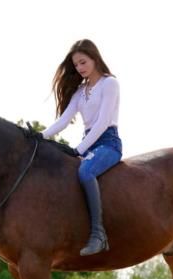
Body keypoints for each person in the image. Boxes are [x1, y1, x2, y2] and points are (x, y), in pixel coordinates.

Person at [42, 39, 122, 256]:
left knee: (86, 172)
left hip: (108, 143)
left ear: (94, 59)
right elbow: (64, 120)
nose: (80, 68)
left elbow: (103, 122)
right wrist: (40, 136)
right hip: (88, 145)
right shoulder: (80, 92)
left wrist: (79, 149)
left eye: (83, 62)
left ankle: (99, 235)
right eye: (76, 65)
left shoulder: (110, 84)